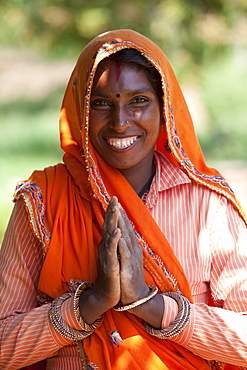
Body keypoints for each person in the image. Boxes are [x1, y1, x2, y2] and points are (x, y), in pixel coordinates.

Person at [0, 29, 246, 370]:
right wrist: (91, 302)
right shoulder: (44, 202)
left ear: (165, 108)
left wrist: (150, 304)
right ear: (81, 112)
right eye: (102, 103)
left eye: (139, 101)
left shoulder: (208, 205)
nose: (120, 122)